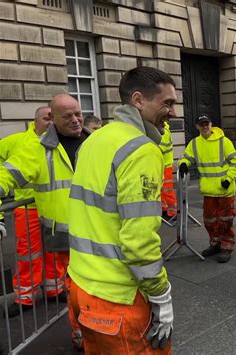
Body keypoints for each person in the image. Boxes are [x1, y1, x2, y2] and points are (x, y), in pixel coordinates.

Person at [67, 66, 176, 354]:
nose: (173, 112)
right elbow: (139, 242)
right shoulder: (141, 150)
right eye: (167, 103)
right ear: (138, 100)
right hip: (119, 298)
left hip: (81, 285)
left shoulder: (94, 141)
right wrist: (161, 295)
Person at [0, 94, 90, 349]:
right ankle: (80, 332)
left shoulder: (95, 143)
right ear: (53, 119)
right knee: (75, 290)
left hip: (98, 232)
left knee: (97, 288)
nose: (75, 120)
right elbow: (7, 173)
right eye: (67, 116)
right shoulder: (37, 149)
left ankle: (97, 330)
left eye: (78, 114)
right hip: (64, 236)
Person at [0, 106, 65, 318]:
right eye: (47, 118)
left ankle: (54, 288)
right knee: (28, 253)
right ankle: (25, 297)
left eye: (53, 117)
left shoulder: (59, 142)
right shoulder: (17, 141)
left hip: (51, 206)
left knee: (54, 250)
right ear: (35, 121)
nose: (51, 121)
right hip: (26, 208)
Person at [178, 115, 236, 263]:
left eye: (207, 124)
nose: (205, 127)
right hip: (208, 190)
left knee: (226, 221)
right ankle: (215, 244)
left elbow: (235, 162)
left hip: (225, 190)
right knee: (210, 221)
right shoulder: (195, 143)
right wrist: (183, 163)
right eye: (202, 124)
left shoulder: (223, 141)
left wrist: (228, 178)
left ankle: (226, 247)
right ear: (197, 127)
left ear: (211, 125)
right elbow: (186, 157)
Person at [159, 121, 177, 220]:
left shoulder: (164, 130)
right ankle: (164, 209)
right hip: (161, 165)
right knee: (161, 190)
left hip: (165, 165)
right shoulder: (159, 129)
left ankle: (173, 213)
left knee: (167, 190)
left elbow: (161, 147)